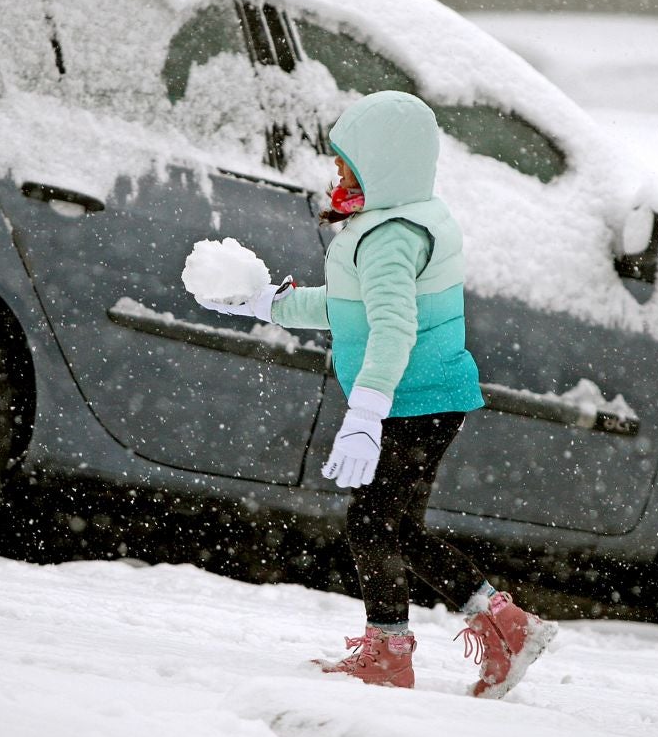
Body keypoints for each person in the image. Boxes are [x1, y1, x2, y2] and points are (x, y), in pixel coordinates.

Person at [194, 90, 556, 697]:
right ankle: (505, 624)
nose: (335, 175)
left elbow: (393, 326)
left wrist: (365, 411)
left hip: (418, 399)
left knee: (374, 523)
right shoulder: (394, 221)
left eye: (346, 165)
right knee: (394, 525)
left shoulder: (392, 235)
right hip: (423, 398)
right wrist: (267, 303)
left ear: (383, 164)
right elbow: (351, 308)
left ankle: (393, 652)